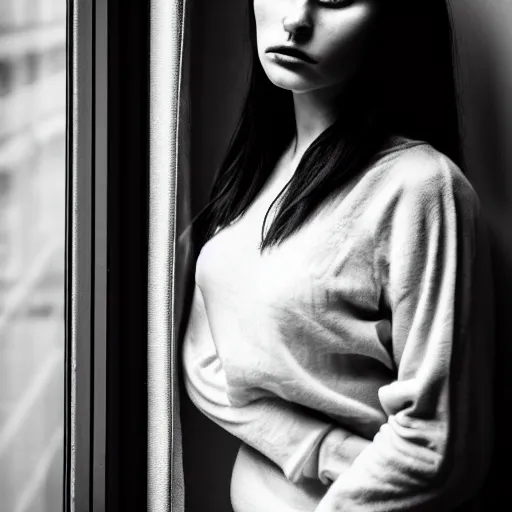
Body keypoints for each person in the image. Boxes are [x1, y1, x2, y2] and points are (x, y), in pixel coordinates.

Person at [181, 1, 495, 510]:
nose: (295, 19)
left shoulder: (420, 187)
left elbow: (438, 448)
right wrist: (323, 450)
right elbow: (206, 365)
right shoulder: (256, 172)